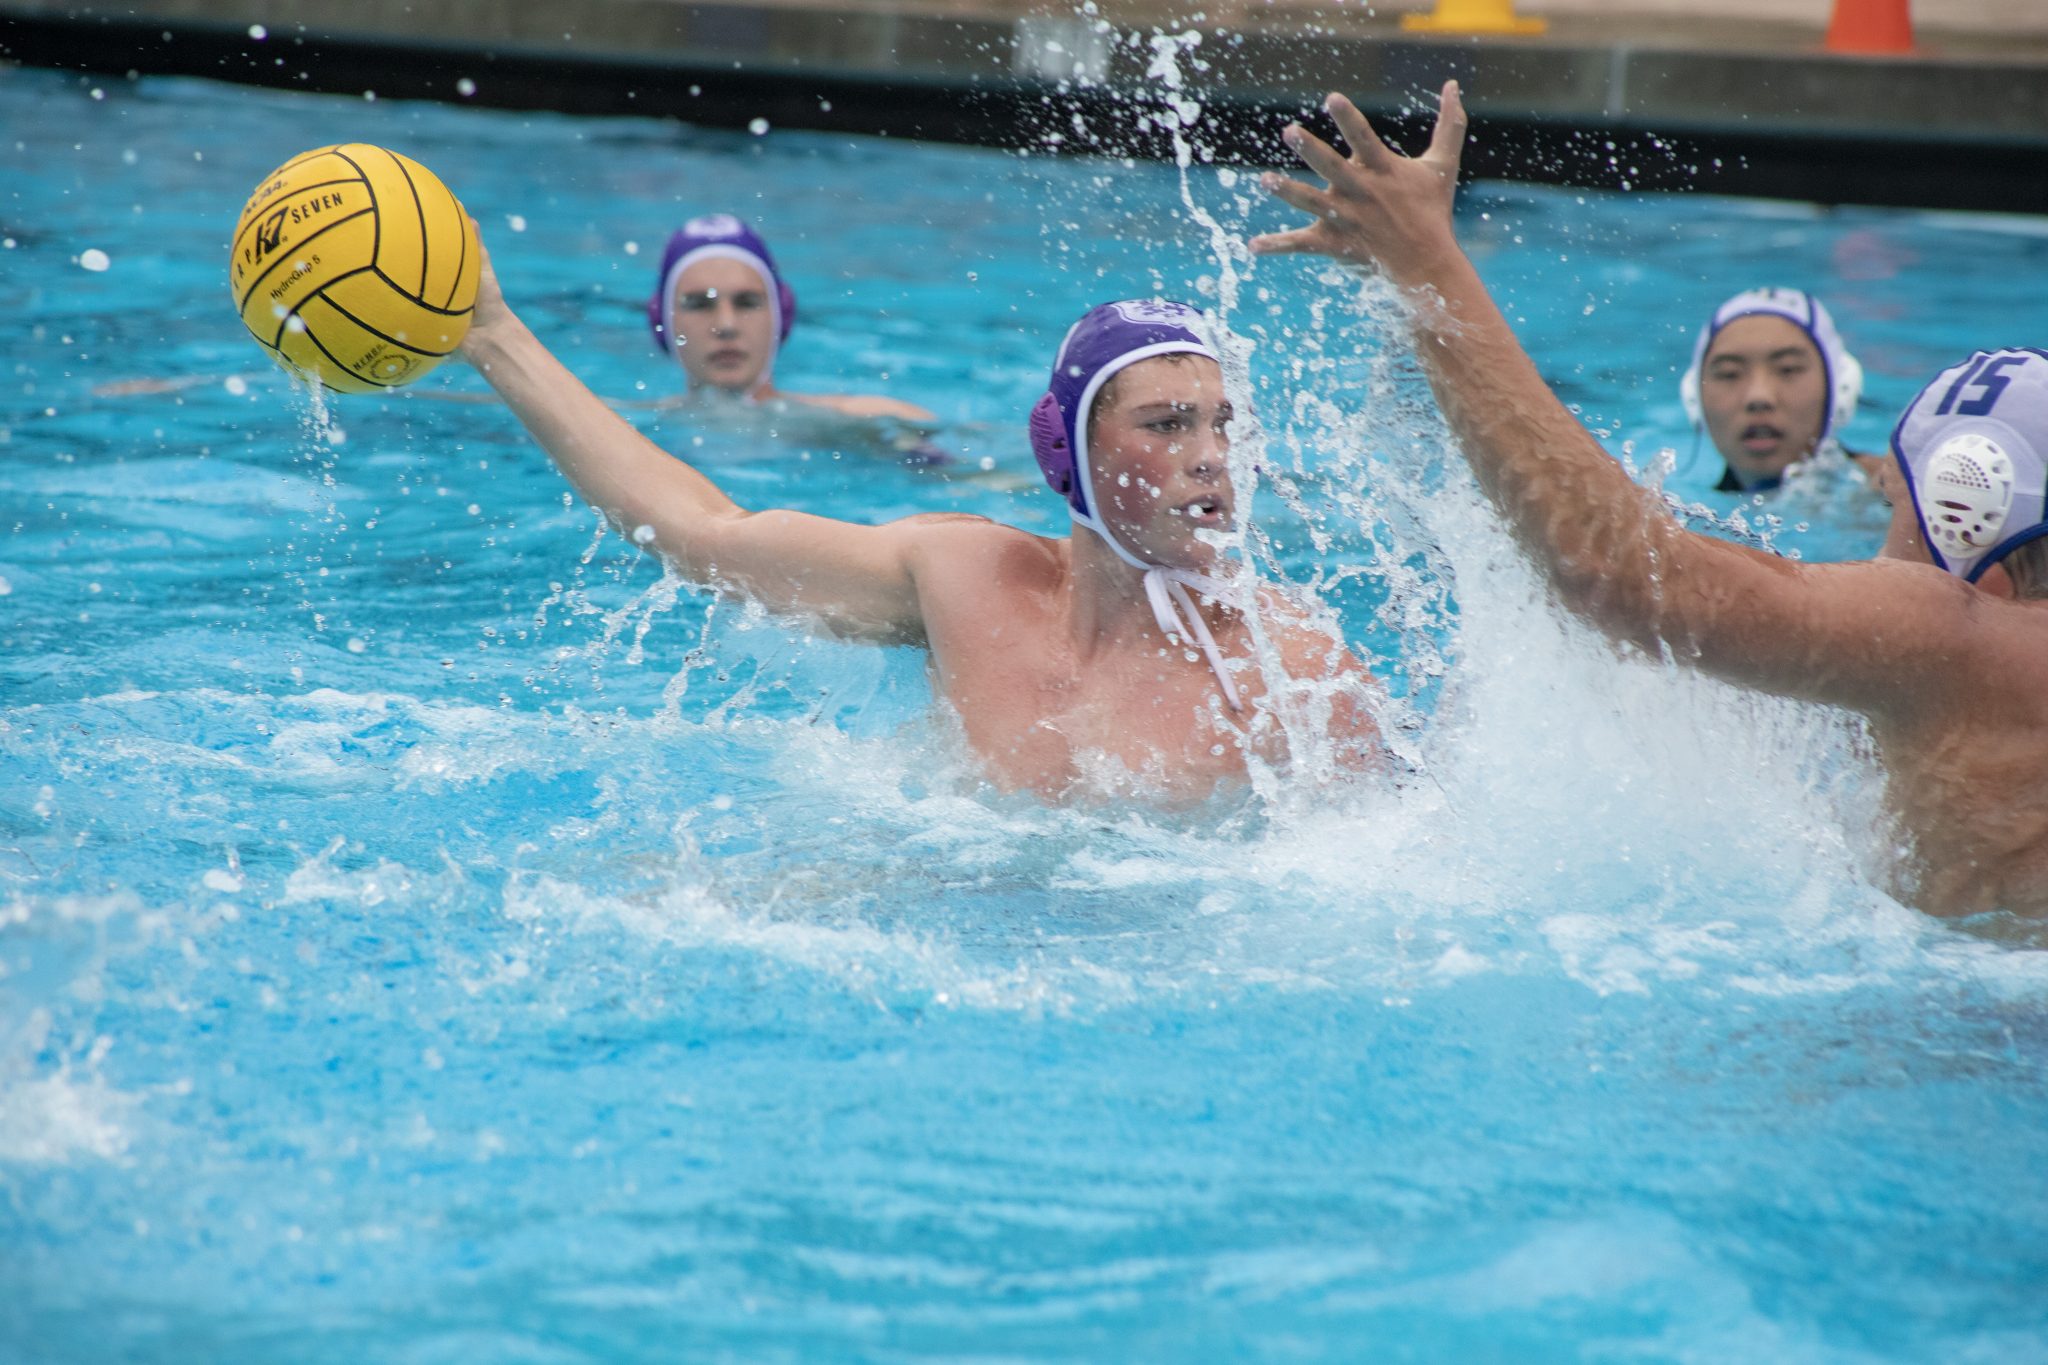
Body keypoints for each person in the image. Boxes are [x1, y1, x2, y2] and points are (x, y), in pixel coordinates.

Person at [1253, 81, 2048, 918]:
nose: (1890, 522)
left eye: (1901, 497)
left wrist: (1427, 267)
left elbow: (1622, 574)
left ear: (1974, 508)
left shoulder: (1960, 644)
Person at [463, 241, 1384, 800]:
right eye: (1167, 422)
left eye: (1224, 422)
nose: (1212, 452)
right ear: (1065, 453)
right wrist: (493, 335)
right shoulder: (963, 582)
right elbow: (700, 535)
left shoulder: (1289, 669)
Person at [648, 214, 934, 422]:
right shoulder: (631, 432)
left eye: (747, 303)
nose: (726, 326)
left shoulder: (866, 421)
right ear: (662, 321)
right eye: (699, 305)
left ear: (781, 314)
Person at [1680, 287, 1880, 492]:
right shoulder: (1665, 512)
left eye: (1788, 369)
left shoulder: (1897, 499)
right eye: (1729, 373)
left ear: (1840, 390)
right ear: (1694, 397)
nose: (1758, 397)